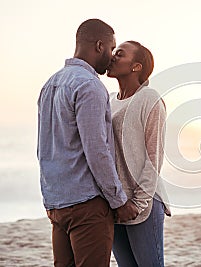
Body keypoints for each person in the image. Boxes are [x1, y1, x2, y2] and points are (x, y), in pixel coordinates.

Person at [37, 19, 138, 267]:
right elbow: (97, 151)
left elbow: (43, 149)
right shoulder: (90, 86)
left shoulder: (50, 84)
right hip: (86, 206)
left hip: (56, 204)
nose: (112, 56)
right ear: (99, 45)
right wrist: (119, 201)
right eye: (111, 49)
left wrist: (50, 199)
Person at [107, 41, 171, 267]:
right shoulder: (109, 100)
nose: (112, 56)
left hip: (142, 203)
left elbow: (154, 158)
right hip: (116, 203)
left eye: (120, 54)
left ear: (136, 67)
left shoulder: (149, 98)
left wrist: (138, 203)